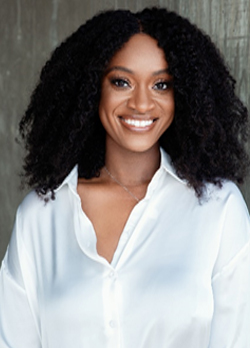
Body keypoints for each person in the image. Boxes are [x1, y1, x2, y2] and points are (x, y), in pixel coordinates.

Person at [0, 7, 250, 348]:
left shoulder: (220, 209)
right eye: (121, 82)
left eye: (161, 84)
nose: (142, 103)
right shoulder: (40, 215)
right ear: (91, 88)